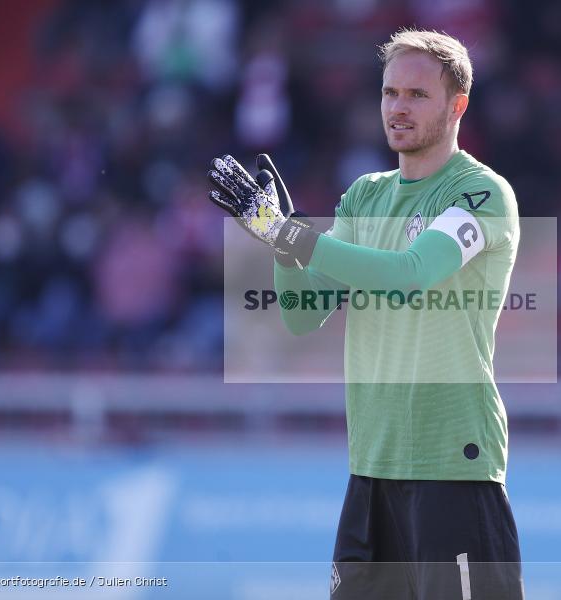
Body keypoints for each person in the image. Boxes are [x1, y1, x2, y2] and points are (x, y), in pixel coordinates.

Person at [207, 28, 523, 600]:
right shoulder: (364, 196)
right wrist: (283, 246)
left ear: (458, 106)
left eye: (417, 95)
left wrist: (290, 233)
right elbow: (304, 315)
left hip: (453, 464)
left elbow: (410, 275)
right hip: (372, 467)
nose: (398, 108)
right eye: (389, 93)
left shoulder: (480, 194)